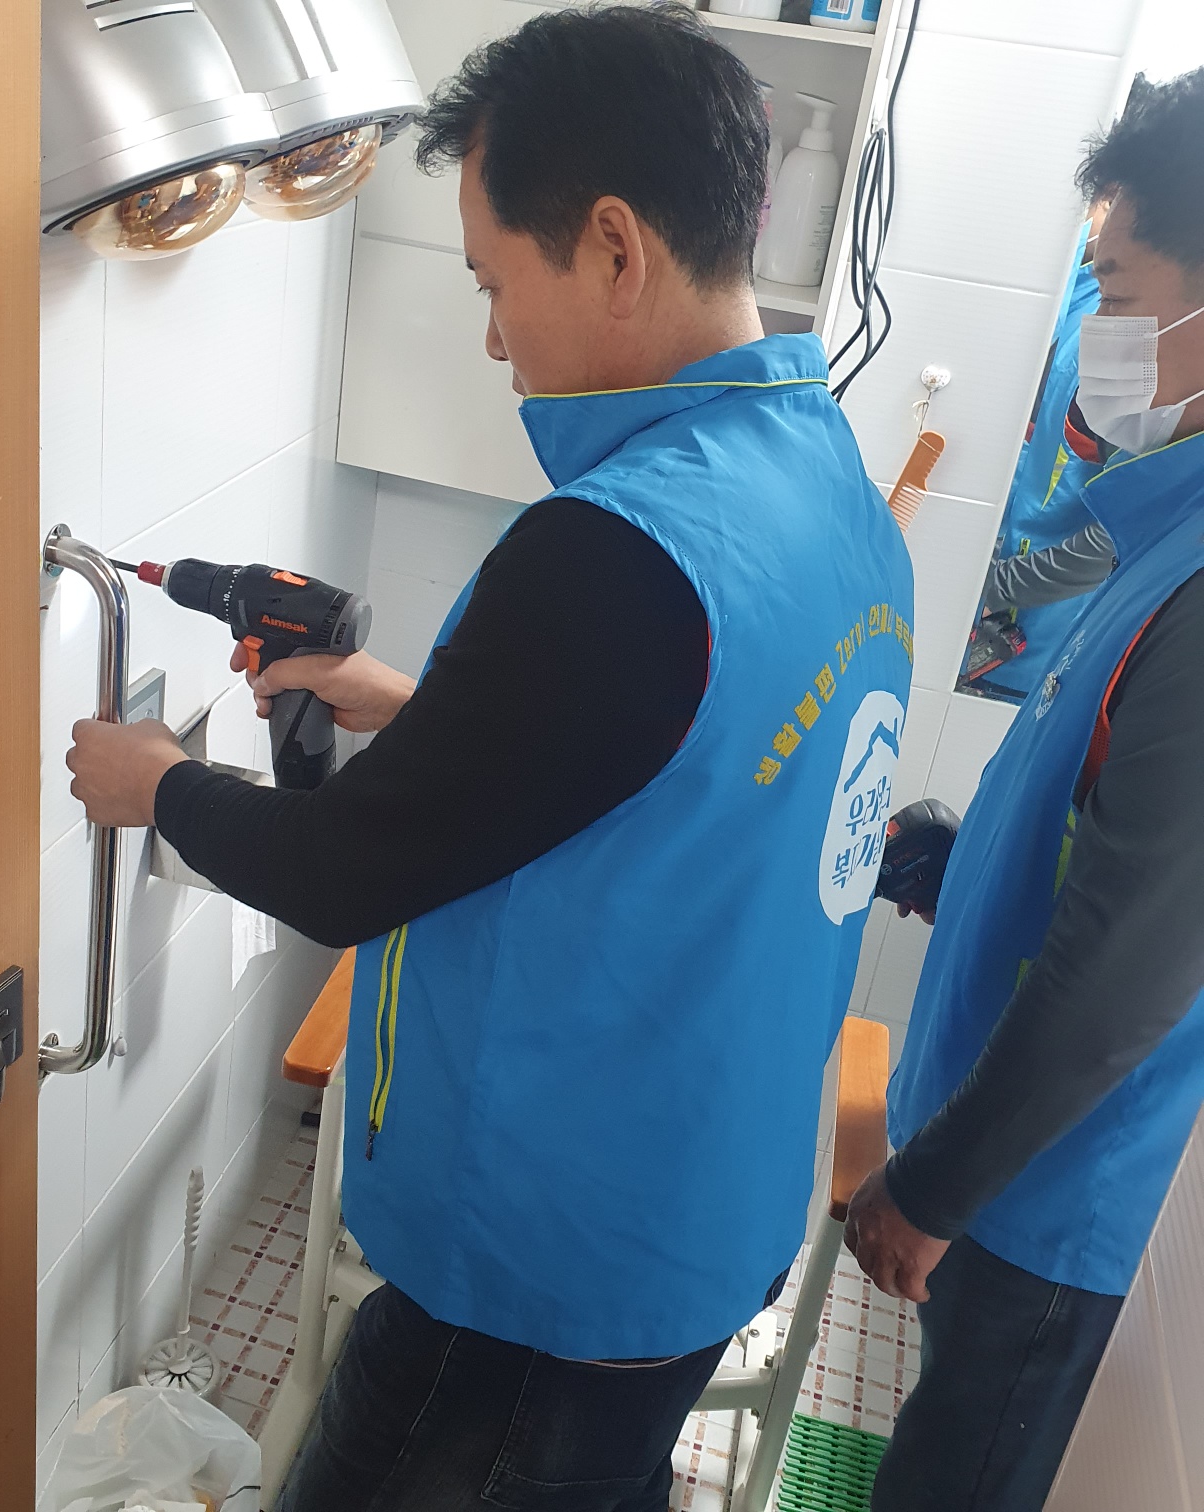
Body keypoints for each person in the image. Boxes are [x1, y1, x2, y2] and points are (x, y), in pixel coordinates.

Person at [68, 6, 912, 1508]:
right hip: (698, 1213)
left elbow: (344, 876)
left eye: (493, 280)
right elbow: (687, 771)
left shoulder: (616, 550)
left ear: (612, 247)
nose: (492, 334)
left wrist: (157, 784)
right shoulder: (822, 472)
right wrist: (422, 709)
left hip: (537, 1278)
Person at [845, 68, 1204, 1512]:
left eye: (1115, 288)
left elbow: (1129, 969)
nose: (1098, 335)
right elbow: (1104, 825)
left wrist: (934, 1184)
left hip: (1052, 1203)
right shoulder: (1159, 527)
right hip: (1019, 1172)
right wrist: (952, 859)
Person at [963, 207, 1109, 699]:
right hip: (973, 607)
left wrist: (996, 586)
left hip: (1034, 647)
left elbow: (1116, 537)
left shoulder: (1131, 336)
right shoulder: (1071, 286)